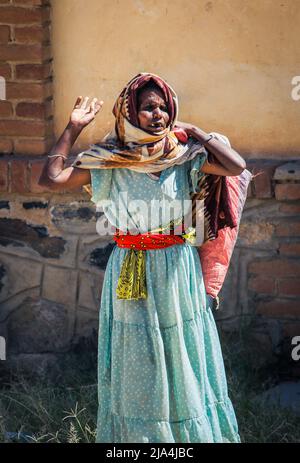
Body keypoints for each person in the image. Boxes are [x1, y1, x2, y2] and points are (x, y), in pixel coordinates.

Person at [39, 72, 248, 443]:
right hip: (131, 268)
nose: (159, 115)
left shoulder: (184, 156)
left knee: (182, 353)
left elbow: (235, 166)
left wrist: (197, 131)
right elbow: (51, 179)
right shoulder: (109, 160)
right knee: (138, 356)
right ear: (129, 113)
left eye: (164, 107)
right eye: (148, 107)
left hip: (177, 268)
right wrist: (72, 128)